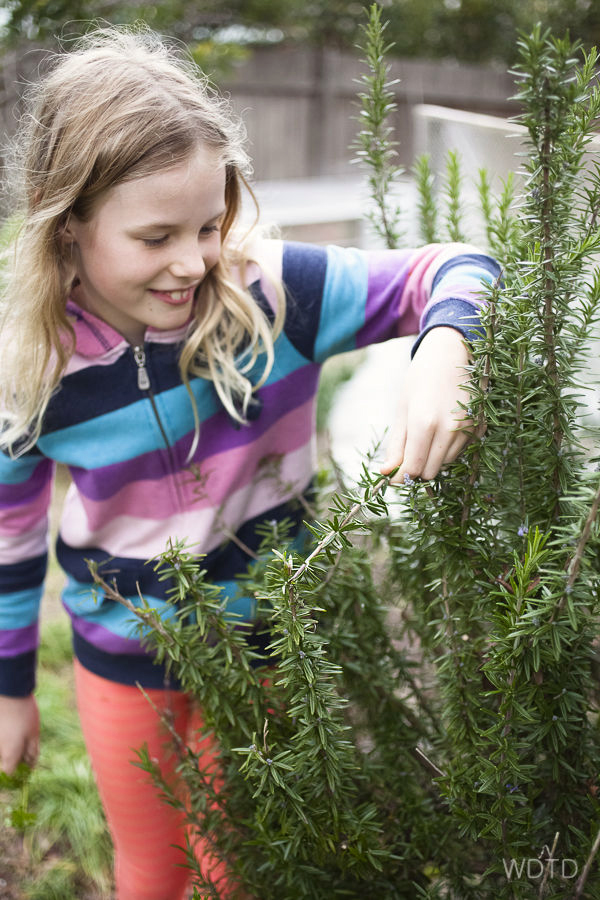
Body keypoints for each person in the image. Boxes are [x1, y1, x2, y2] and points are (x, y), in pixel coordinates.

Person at [0, 25, 501, 900]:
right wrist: (9, 690)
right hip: (125, 655)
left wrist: (448, 348)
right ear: (67, 221)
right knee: (153, 872)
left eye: (208, 223)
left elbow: (458, 265)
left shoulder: (272, 293)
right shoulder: (29, 369)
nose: (193, 261)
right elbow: (9, 540)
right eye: (155, 237)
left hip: (277, 641)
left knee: (245, 862)